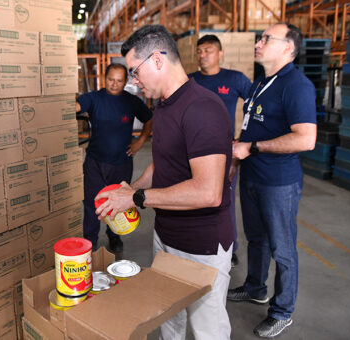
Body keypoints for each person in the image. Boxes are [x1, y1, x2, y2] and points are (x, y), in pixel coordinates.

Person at [95, 25, 234, 340]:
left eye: (135, 71)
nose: (134, 80)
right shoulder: (166, 107)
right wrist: (132, 188)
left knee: (207, 331)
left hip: (202, 248)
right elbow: (164, 161)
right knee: (169, 322)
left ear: (157, 60)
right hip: (167, 239)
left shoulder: (202, 109)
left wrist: (138, 199)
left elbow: (208, 192)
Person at [227, 23, 316, 338]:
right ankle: (255, 286)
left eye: (266, 38)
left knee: (283, 248)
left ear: (288, 48)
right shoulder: (262, 83)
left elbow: (306, 139)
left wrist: (252, 148)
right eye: (260, 37)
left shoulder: (297, 85)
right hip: (252, 176)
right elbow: (251, 129)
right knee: (256, 239)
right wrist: (239, 158)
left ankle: (282, 311)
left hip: (278, 182)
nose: (258, 42)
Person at [189, 34, 252, 267]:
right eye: (199, 51)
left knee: (225, 201)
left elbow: (254, 106)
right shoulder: (190, 81)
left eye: (208, 50)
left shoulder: (235, 79)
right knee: (194, 198)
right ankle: (197, 243)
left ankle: (229, 246)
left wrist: (241, 141)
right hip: (192, 152)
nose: (203, 55)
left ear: (220, 53)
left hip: (225, 153)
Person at [77, 63, 152, 252]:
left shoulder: (131, 101)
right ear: (104, 78)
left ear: (125, 81)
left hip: (121, 163)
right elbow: (77, 106)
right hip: (95, 161)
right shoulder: (94, 98)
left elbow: (150, 119)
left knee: (118, 202)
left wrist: (140, 141)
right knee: (91, 202)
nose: (114, 84)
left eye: (119, 81)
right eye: (111, 80)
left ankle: (114, 236)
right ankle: (90, 240)